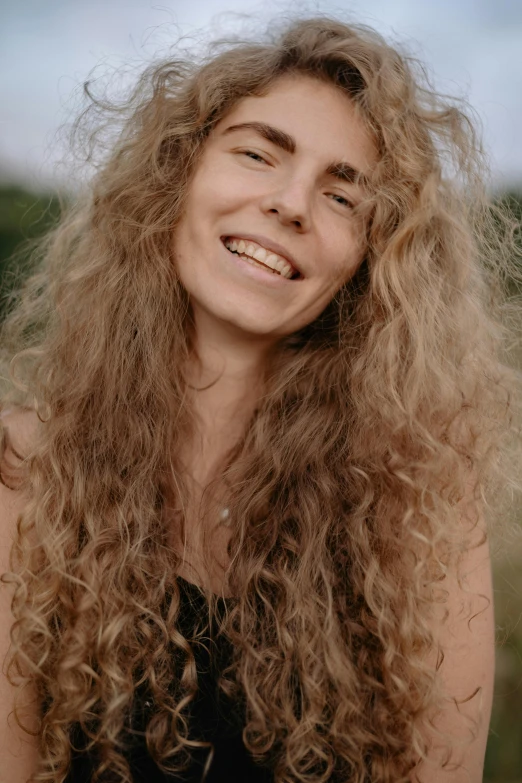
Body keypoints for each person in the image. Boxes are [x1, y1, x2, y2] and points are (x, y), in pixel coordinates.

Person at [0, 14, 521, 783]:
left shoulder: (419, 503)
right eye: (256, 154)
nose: (291, 203)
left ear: (371, 261)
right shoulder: (25, 467)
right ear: (177, 175)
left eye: (344, 197)